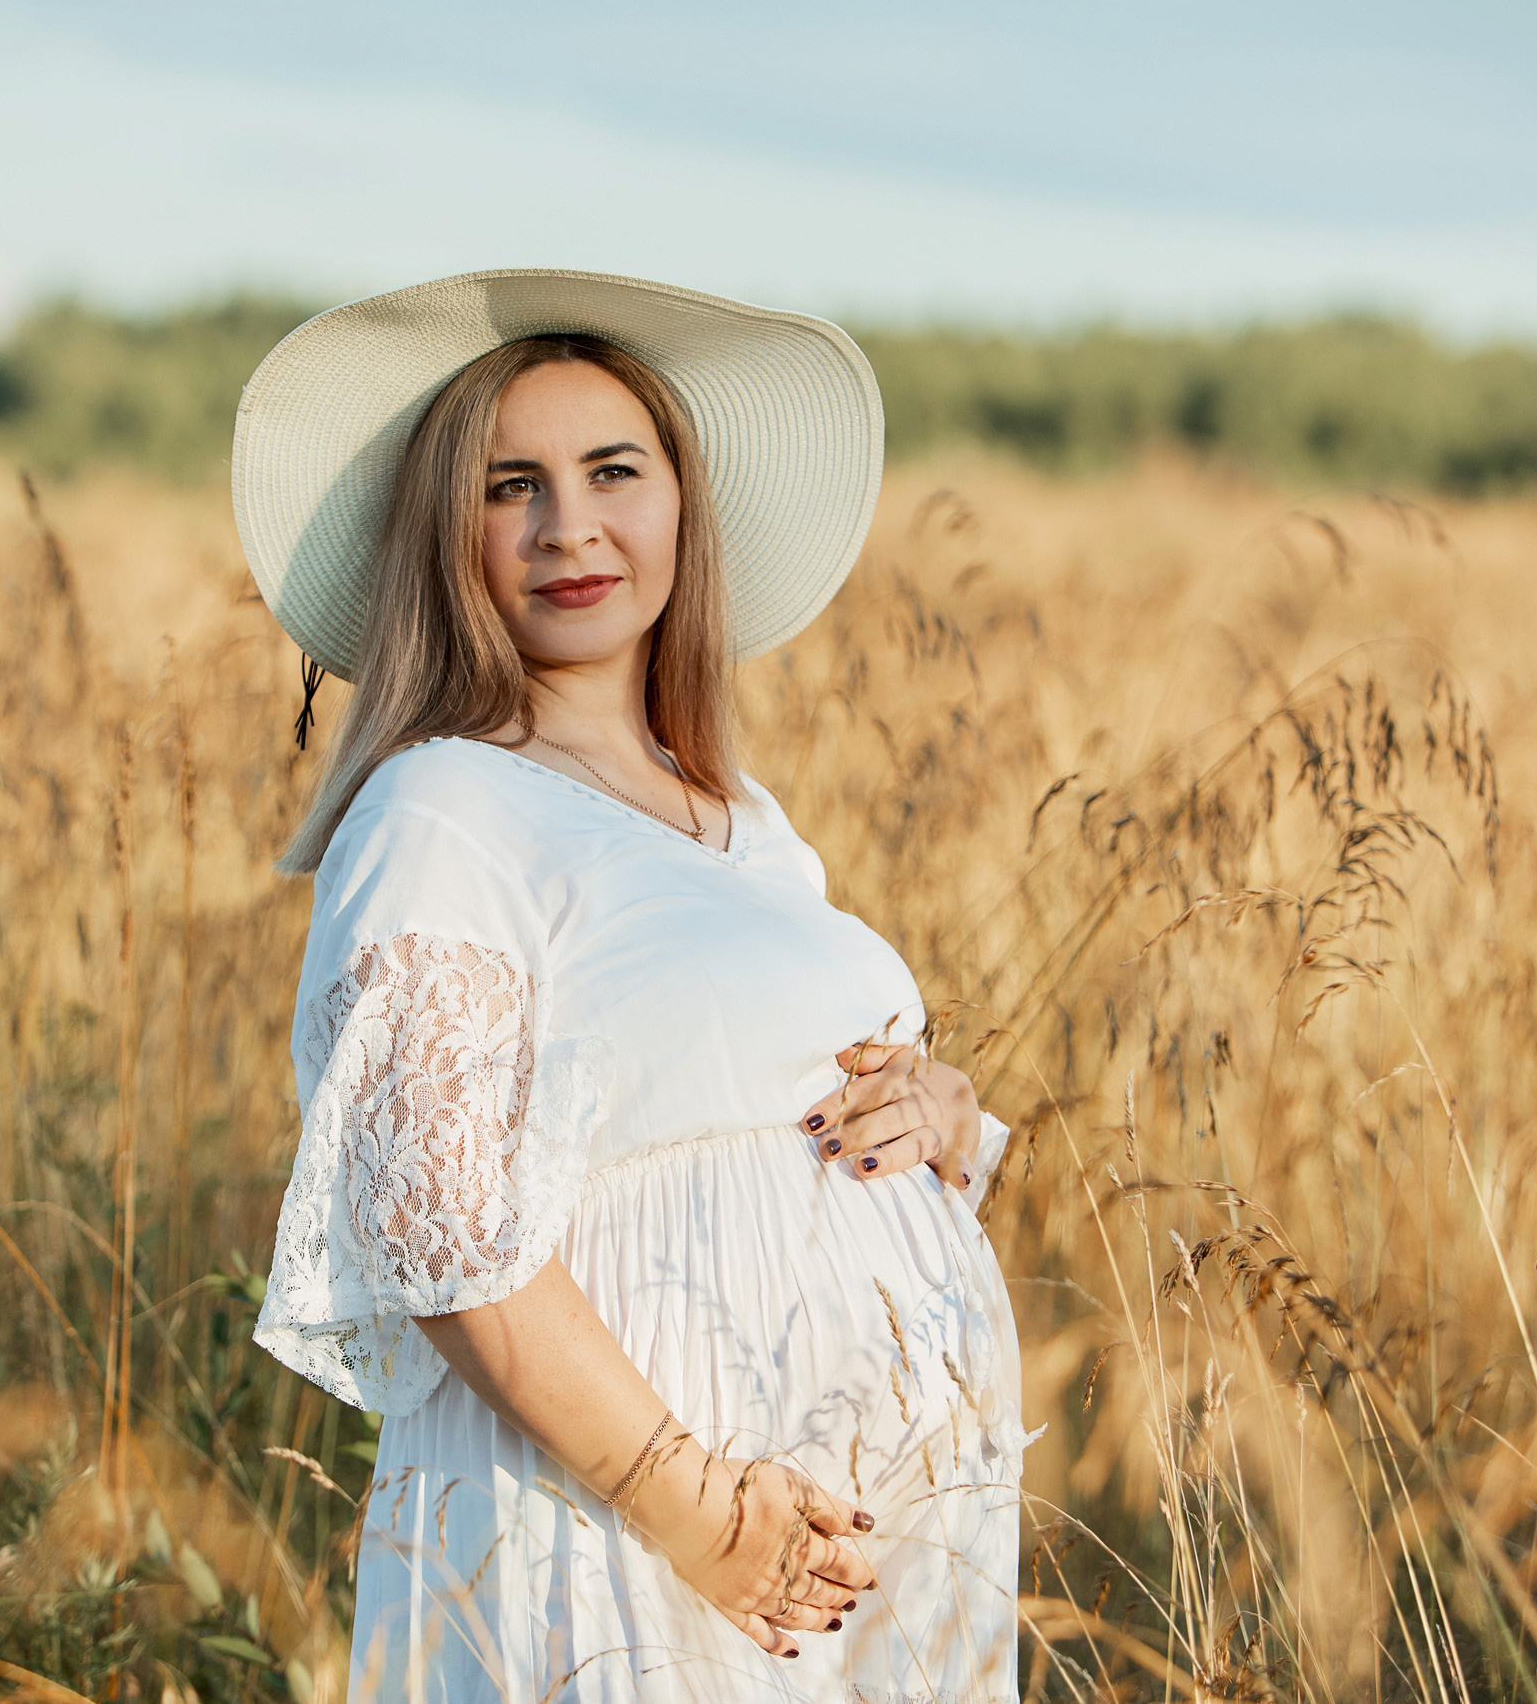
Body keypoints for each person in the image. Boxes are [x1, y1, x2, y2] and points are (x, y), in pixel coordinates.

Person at [239, 270, 1028, 1702]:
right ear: (448, 536)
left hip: (857, 1556)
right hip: (631, 1549)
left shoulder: (739, 818)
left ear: (681, 503)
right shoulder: (444, 813)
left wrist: (942, 1116)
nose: (570, 528)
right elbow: (446, 1236)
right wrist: (695, 1508)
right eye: (510, 488)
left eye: (614, 471)